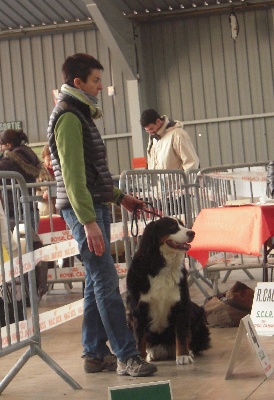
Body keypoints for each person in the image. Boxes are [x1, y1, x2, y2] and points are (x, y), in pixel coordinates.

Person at [47, 53, 157, 377]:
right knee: (107, 281)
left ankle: (94, 354)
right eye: (96, 80)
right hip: (85, 211)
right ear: (78, 83)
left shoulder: (80, 115)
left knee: (96, 282)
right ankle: (126, 355)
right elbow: (72, 177)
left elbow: (94, 172)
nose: (100, 85)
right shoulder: (68, 117)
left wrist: (121, 197)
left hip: (94, 206)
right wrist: (88, 221)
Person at [0, 129, 48, 301]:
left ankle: (25, 294)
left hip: (15, 211)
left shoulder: (11, 159)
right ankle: (32, 292)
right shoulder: (30, 155)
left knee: (20, 254)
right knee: (29, 252)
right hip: (28, 208)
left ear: (8, 145)